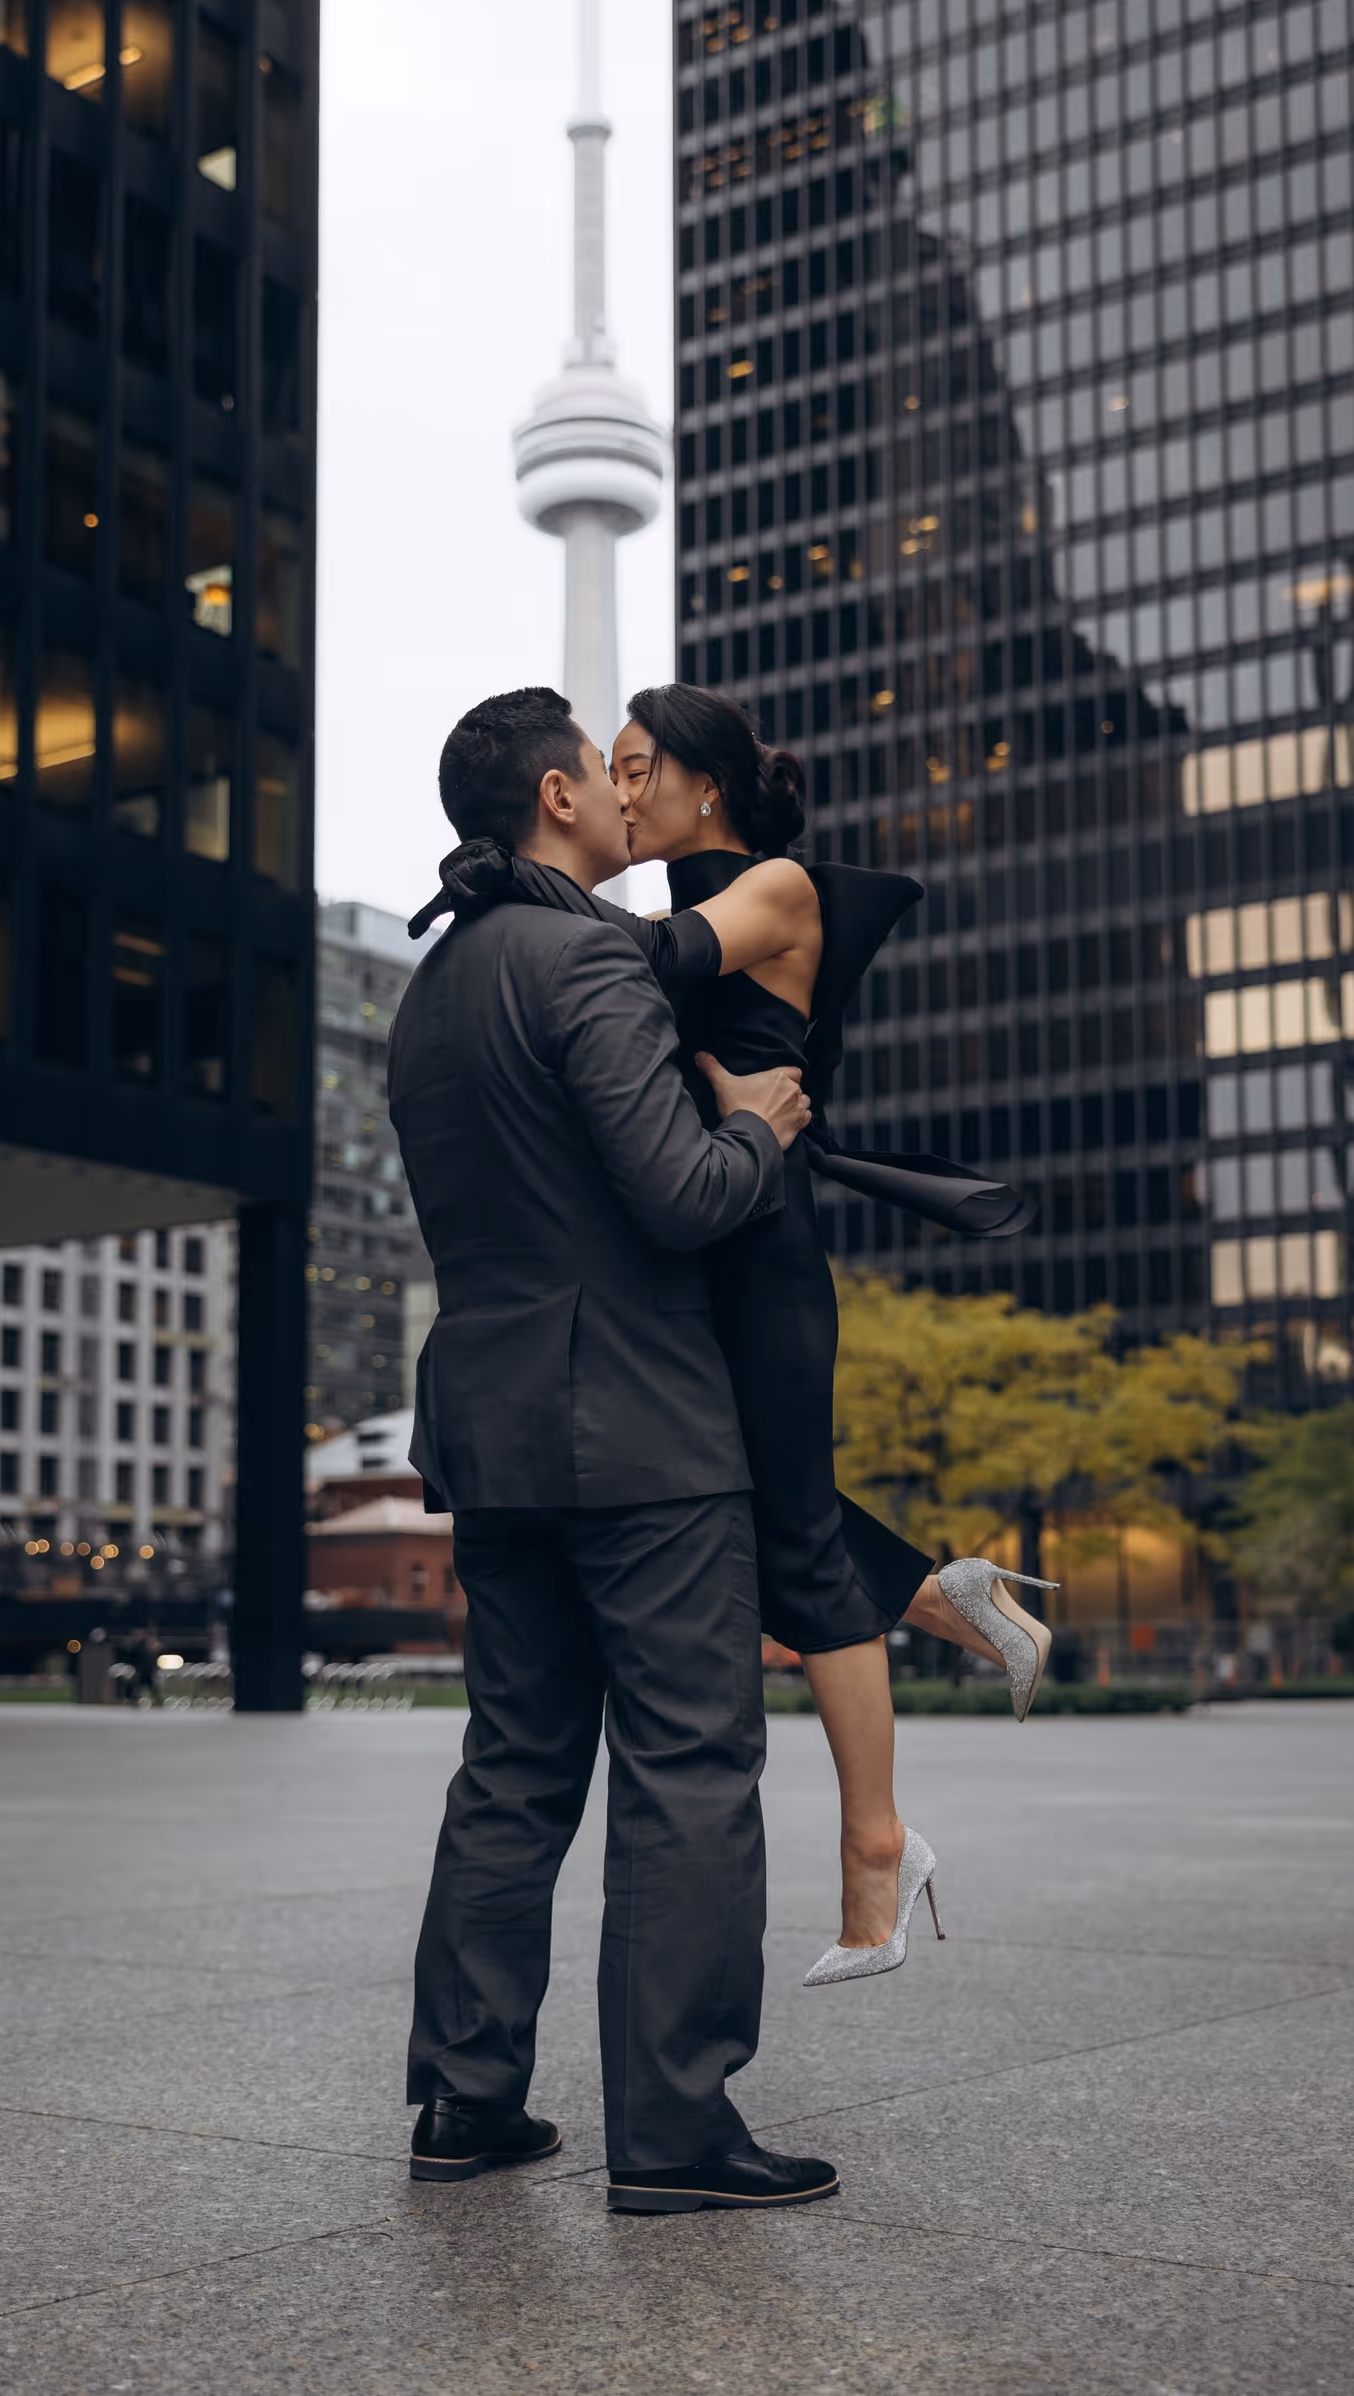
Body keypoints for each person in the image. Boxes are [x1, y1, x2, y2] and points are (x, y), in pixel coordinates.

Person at [393, 687, 839, 2216]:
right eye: (601, 767)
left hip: (492, 1430)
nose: (617, 785)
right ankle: (674, 2130)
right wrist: (762, 1127)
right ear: (562, 801)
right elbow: (677, 1195)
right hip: (641, 1429)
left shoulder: (433, 987)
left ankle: (465, 2092)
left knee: (514, 1766)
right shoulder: (584, 953)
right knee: (690, 1767)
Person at [607, 682, 1057, 1985]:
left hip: (763, 1252)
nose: (624, 794)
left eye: (640, 770)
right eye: (615, 773)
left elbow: (649, 976)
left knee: (792, 1536)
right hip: (701, 1238)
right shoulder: (685, 898)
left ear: (707, 785)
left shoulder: (776, 888)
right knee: (746, 1503)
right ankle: (946, 1595)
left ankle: (878, 1851)